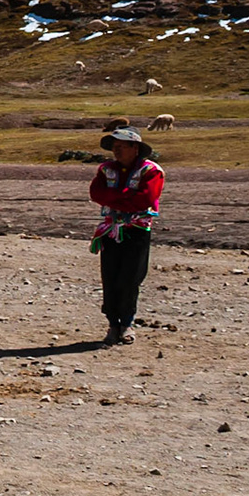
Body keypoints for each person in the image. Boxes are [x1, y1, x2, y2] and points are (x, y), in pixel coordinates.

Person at [90, 126, 164, 346]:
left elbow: (144, 199)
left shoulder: (151, 171)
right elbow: (96, 194)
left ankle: (127, 323)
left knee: (130, 278)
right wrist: (125, 197)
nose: (117, 151)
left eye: (121, 146)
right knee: (110, 277)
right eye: (115, 147)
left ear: (135, 148)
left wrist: (112, 198)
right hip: (110, 231)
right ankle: (113, 324)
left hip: (137, 231)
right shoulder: (106, 169)